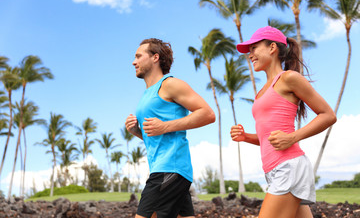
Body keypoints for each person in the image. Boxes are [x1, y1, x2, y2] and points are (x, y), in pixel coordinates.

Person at [230, 26, 337, 218]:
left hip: (288, 166)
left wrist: (293, 137)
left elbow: (328, 115)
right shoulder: (261, 92)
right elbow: (269, 137)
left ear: (272, 47)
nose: (250, 55)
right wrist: (246, 137)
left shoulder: (288, 78)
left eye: (254, 48)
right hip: (274, 169)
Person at [125, 38, 215, 218]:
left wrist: (164, 126)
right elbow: (158, 134)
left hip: (169, 169)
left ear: (155, 57)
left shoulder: (170, 84)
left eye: (138, 56)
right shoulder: (147, 94)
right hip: (168, 169)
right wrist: (137, 131)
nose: (133, 62)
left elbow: (207, 113)